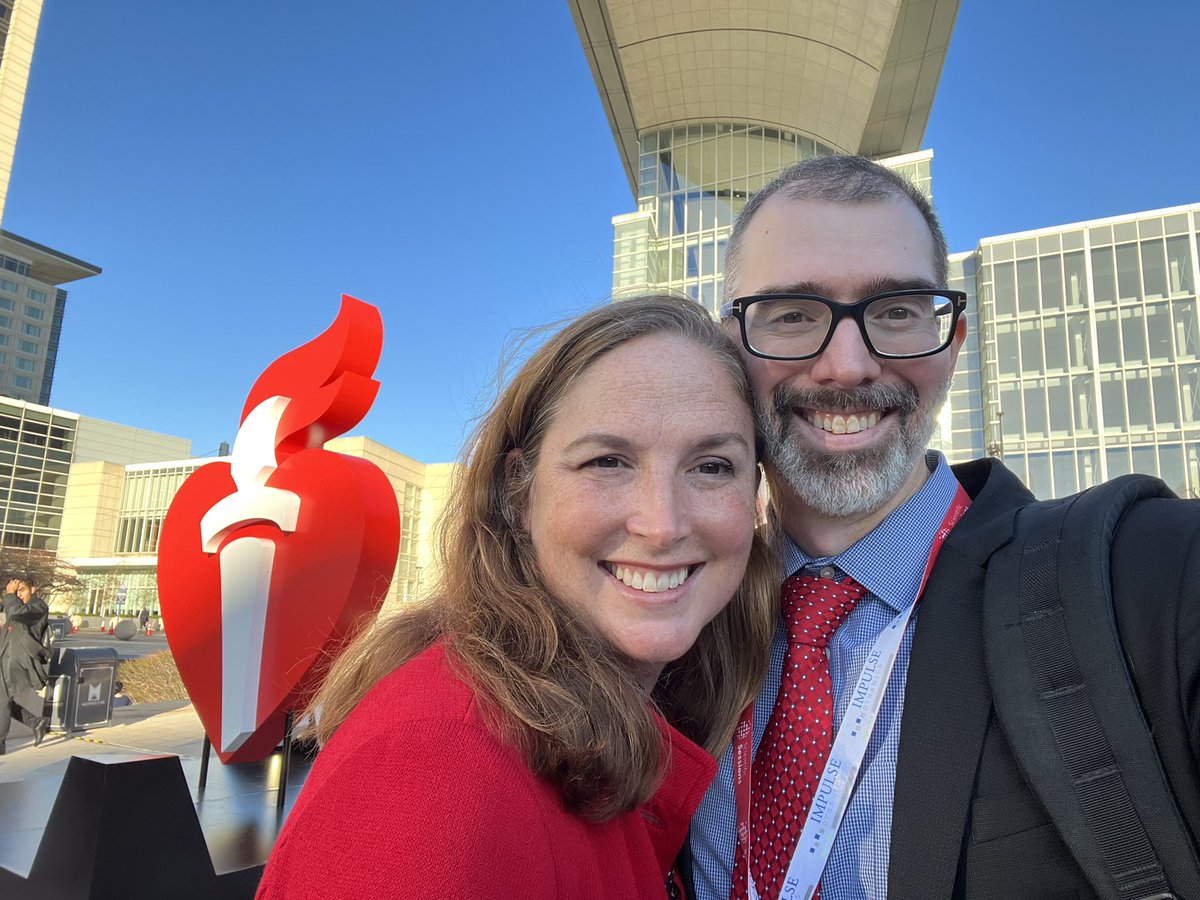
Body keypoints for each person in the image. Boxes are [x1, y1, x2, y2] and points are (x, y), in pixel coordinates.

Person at [689, 154, 1200, 900]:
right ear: (731, 347)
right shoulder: (676, 623)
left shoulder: (1150, 574)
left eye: (895, 311)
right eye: (794, 314)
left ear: (953, 343)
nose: (848, 365)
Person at [257, 295, 779, 899]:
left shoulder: (646, 717)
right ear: (517, 494)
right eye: (606, 461)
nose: (662, 524)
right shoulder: (433, 778)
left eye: (712, 467)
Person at [1, 576, 51, 754]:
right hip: (5, 656)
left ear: (33, 589)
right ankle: (35, 722)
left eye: (22, 590)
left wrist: (9, 595)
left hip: (19, 660)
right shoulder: (16, 604)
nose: (18, 594)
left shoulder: (38, 607)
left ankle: (0, 744)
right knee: (1, 698)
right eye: (16, 591)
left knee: (2, 699)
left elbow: (16, 612)